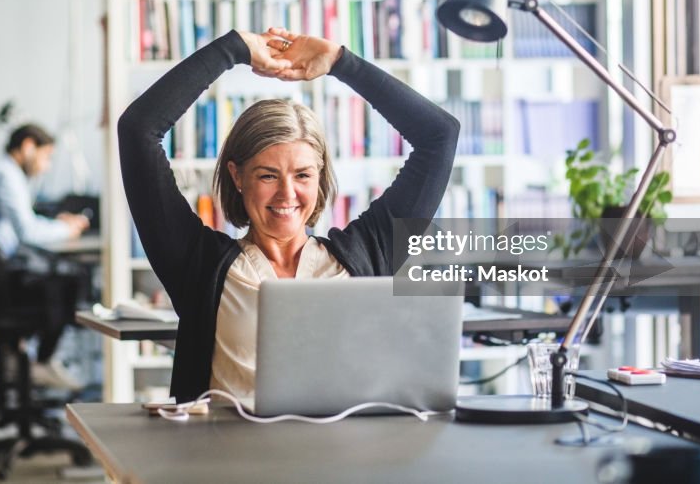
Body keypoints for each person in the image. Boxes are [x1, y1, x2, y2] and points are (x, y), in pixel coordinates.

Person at [117, 28, 460, 401]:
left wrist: (340, 62)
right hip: (226, 456)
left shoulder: (368, 253)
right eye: (267, 175)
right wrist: (233, 50)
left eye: (303, 175)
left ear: (320, 175)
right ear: (237, 176)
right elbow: (138, 130)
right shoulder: (197, 264)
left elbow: (440, 135)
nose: (287, 194)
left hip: (342, 452)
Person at [0, 123, 89, 390]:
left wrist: (55, 223)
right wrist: (67, 228)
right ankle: (43, 362)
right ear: (28, 147)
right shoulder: (7, 176)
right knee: (70, 281)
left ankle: (12, 358)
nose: (47, 166)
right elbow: (27, 232)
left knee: (43, 273)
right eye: (46, 157)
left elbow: (20, 222)